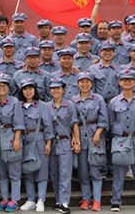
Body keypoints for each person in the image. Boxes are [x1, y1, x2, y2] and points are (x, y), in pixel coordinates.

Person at [108, 70, 135, 212]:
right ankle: (116, 201)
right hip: (121, 140)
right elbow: (110, 122)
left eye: (130, 80)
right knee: (119, 172)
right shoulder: (114, 102)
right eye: (124, 80)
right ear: (120, 82)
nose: (127, 82)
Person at [71, 72, 108, 212]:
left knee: (95, 169)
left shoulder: (98, 99)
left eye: (87, 82)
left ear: (92, 83)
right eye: (82, 82)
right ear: (78, 83)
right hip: (80, 135)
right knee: (83, 171)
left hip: (95, 136)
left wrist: (98, 133)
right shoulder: (73, 100)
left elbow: (104, 119)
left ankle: (97, 200)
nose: (84, 84)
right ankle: (86, 198)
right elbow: (72, 121)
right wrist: (75, 140)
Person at [18, 78, 53, 213]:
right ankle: (31, 199)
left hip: (39, 140)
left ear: (35, 90)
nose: (28, 91)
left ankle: (41, 199)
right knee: (28, 171)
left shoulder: (42, 105)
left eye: (30, 88)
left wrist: (49, 142)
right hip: (24, 141)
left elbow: (48, 125)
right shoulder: (18, 105)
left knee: (42, 171)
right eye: (25, 89)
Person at [46, 78, 80, 214]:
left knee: (65, 173)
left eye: (58, 88)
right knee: (54, 173)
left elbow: (74, 124)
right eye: (53, 89)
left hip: (66, 142)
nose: (56, 91)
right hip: (52, 142)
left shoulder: (70, 105)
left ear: (63, 90)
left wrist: (77, 141)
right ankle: (58, 200)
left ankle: (64, 201)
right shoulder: (47, 106)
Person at [0, 74, 25, 213]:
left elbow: (19, 123)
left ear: (9, 88)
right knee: (2, 171)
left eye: (4, 85)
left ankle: (15, 199)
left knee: (14, 171)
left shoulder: (15, 102)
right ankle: (5, 197)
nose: (2, 87)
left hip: (12, 138)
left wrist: (17, 139)